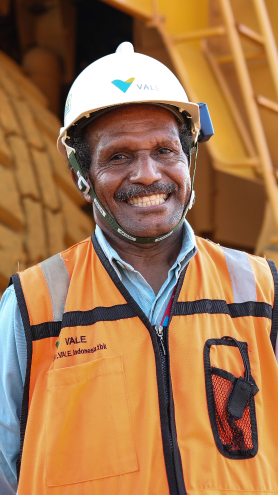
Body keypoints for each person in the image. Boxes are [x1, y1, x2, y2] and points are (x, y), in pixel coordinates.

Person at [0, 41, 278, 495]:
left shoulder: (261, 292)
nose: (148, 174)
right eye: (119, 156)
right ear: (80, 175)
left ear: (188, 159)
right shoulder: (33, 307)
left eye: (165, 150)